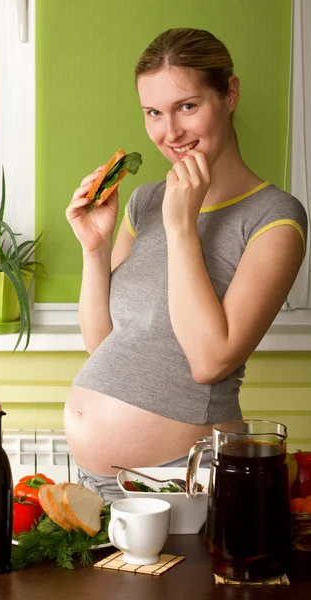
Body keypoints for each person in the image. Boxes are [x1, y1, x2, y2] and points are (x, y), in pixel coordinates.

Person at [64, 28, 308, 502]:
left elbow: (211, 359)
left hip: (183, 481)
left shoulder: (275, 217)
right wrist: (94, 248)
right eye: (154, 113)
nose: (169, 133)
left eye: (187, 107)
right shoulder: (146, 200)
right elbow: (103, 342)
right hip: (96, 482)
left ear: (230, 94)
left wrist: (182, 227)